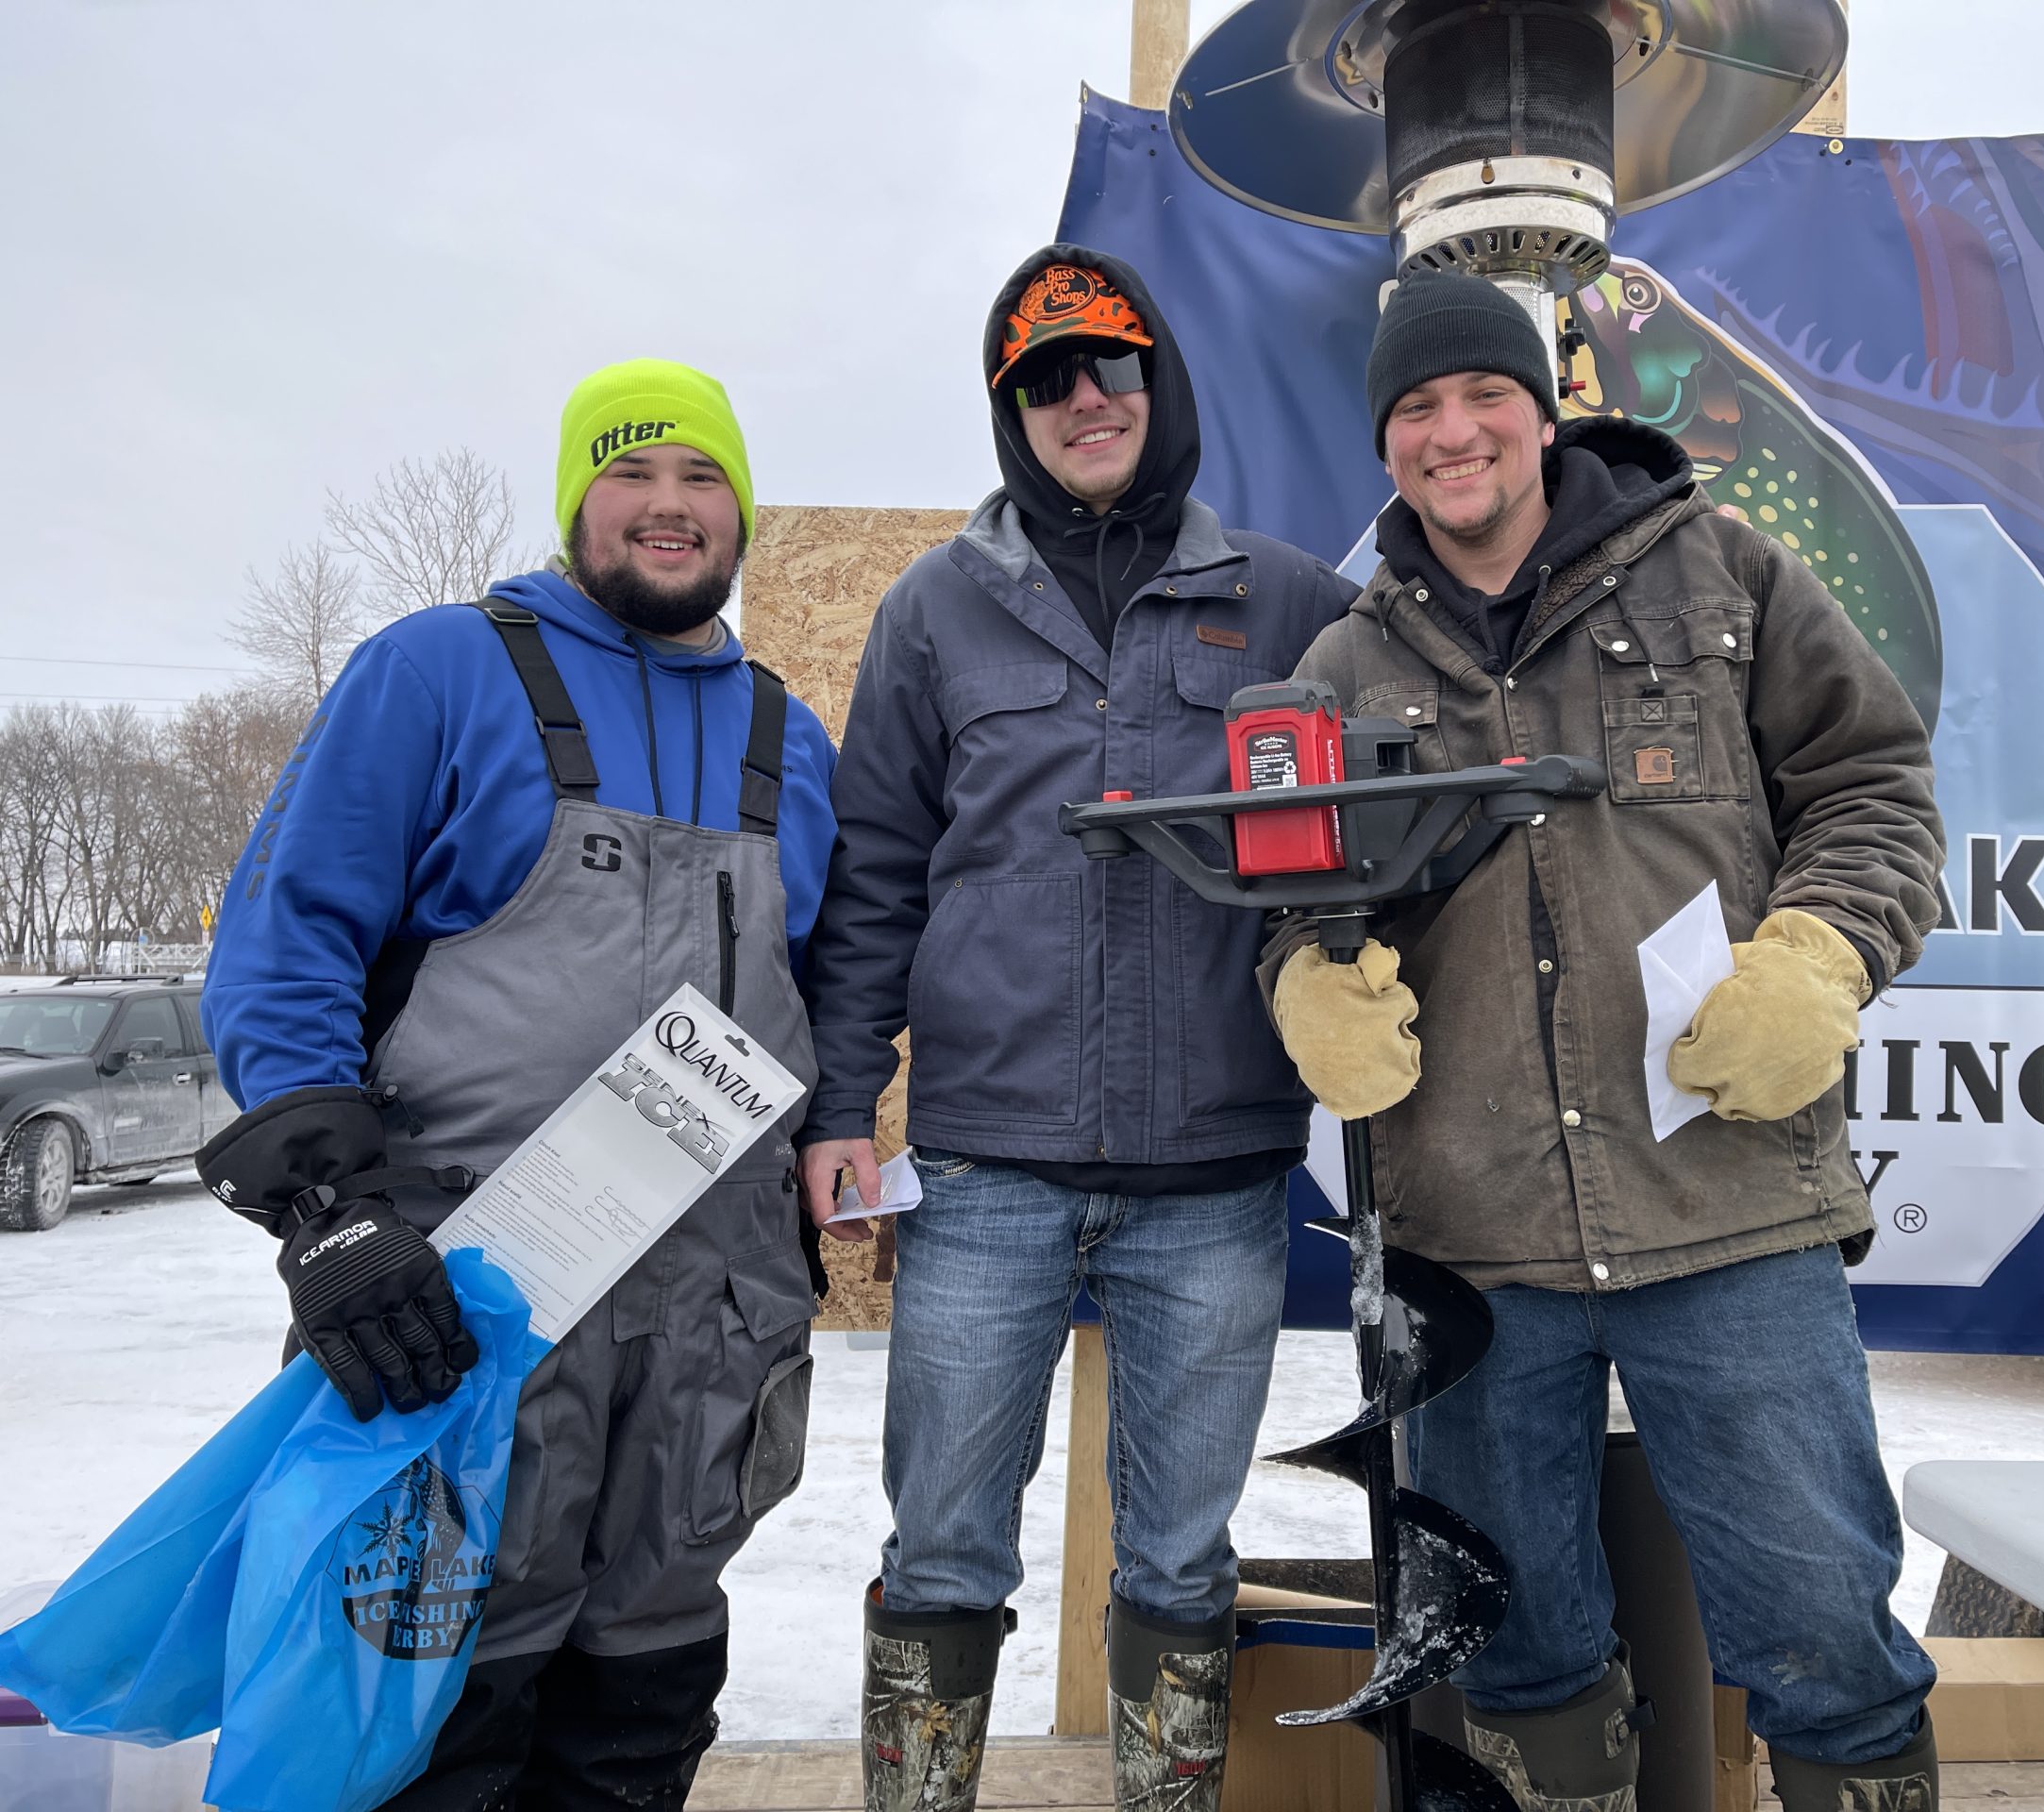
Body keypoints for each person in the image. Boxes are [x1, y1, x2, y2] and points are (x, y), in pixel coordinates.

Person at [1265, 270, 1948, 1812]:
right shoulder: (1343, 668)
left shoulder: (1724, 576)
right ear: (1385, 443)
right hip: (1471, 1238)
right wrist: (1308, 979)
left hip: (1728, 1211)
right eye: (1415, 409)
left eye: (1481, 396)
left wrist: (1824, 952)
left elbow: (1875, 787)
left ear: (1544, 406)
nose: (1453, 435)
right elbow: (1291, 903)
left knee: (1825, 1628)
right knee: (1512, 1642)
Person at [197, 360, 838, 1811]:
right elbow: (288, 936)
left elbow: (845, 981)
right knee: (435, 1700)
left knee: (646, 1689)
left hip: (707, 1329)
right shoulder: (436, 672)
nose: (670, 509)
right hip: (465, 1301)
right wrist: (328, 1216)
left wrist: (842, 1141)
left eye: (704, 480)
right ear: (575, 503)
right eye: (632, 475)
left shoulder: (791, 740)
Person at [798, 247, 1358, 1810]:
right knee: (946, 1546)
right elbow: (875, 885)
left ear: (1160, 385)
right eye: (1042, 380)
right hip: (984, 1181)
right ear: (1012, 416)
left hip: (1221, 1185)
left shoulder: (1293, 601)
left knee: (1184, 1556)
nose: (1082, 398)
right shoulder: (935, 612)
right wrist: (847, 1105)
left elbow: (1386, 836)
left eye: (1109, 365)